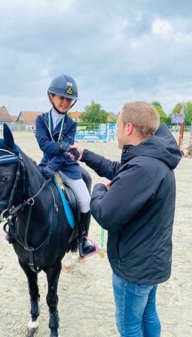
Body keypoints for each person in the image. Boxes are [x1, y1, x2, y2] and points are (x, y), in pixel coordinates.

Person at [68, 101, 182, 337]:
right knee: (148, 315)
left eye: (118, 124)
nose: (117, 128)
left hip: (134, 267)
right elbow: (120, 170)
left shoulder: (143, 169)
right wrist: (85, 155)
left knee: (129, 327)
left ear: (128, 128)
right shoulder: (151, 159)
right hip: (150, 261)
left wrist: (99, 189)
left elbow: (106, 214)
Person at [35, 74, 95, 257]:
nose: (65, 102)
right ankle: (13, 230)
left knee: (86, 201)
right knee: (26, 187)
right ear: (51, 96)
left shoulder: (71, 124)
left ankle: (82, 240)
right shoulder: (41, 120)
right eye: (61, 97)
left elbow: (67, 150)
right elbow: (43, 144)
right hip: (46, 163)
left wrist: (57, 160)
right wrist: (59, 148)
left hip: (67, 166)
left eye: (69, 99)